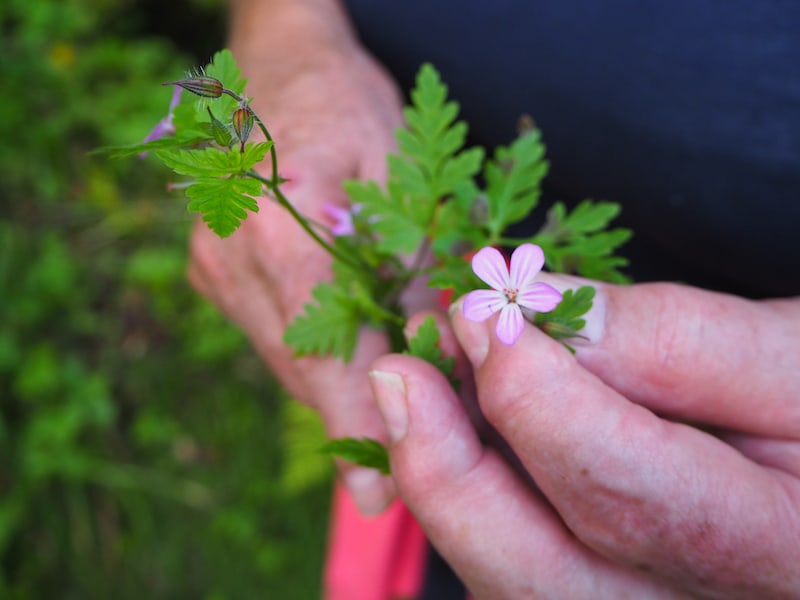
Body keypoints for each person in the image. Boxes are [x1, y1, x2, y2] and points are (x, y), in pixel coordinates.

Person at [188, 0, 800, 597]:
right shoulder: (496, 284)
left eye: (512, 291)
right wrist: (288, 30)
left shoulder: (508, 293)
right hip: (460, 453)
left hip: (732, 455)